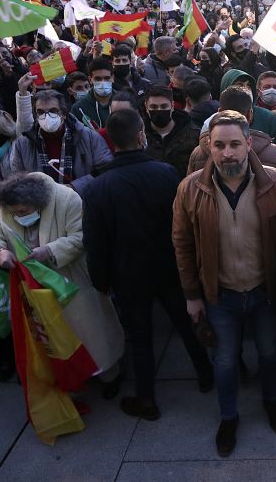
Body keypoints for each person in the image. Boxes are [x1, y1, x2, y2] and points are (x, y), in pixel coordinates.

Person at [172, 110, 276, 457]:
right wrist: (192, 296)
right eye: (220, 145)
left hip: (265, 291)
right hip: (220, 295)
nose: (228, 153)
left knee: (271, 353)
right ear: (208, 147)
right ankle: (228, 416)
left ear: (249, 143)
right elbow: (182, 244)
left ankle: (271, 400)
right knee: (225, 361)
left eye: (235, 144)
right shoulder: (190, 188)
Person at [82, 109, 214, 420]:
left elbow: (94, 241)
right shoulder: (166, 173)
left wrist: (100, 280)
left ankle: (146, 397)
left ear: (111, 143)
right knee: (185, 324)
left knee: (140, 337)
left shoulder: (98, 188)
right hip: (168, 266)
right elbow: (182, 224)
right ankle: (206, 375)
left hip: (127, 274)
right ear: (141, 134)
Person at [0, 172, 124, 388]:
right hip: (37, 289)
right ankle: (72, 377)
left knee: (92, 334)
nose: (19, 215)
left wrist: (49, 250)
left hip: (74, 281)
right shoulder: (8, 208)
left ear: (37, 203)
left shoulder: (66, 199)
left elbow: (82, 236)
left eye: (24, 212)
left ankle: (109, 375)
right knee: (57, 339)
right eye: (14, 213)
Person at [143, 85, 200, 179]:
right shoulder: (140, 136)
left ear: (172, 106)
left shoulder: (193, 135)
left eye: (164, 106)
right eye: (153, 107)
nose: (159, 110)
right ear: (146, 107)